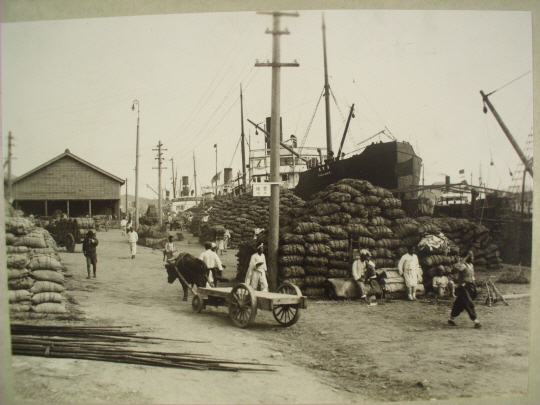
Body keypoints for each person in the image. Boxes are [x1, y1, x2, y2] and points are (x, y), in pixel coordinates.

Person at [448, 251, 482, 329]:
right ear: (467, 258)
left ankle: (451, 318)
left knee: (460, 303)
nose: (473, 258)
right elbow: (456, 266)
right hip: (463, 287)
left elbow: (472, 276)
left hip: (470, 286)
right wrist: (466, 256)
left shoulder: (470, 265)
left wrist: (474, 285)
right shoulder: (463, 265)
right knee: (468, 302)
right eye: (471, 256)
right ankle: (475, 321)